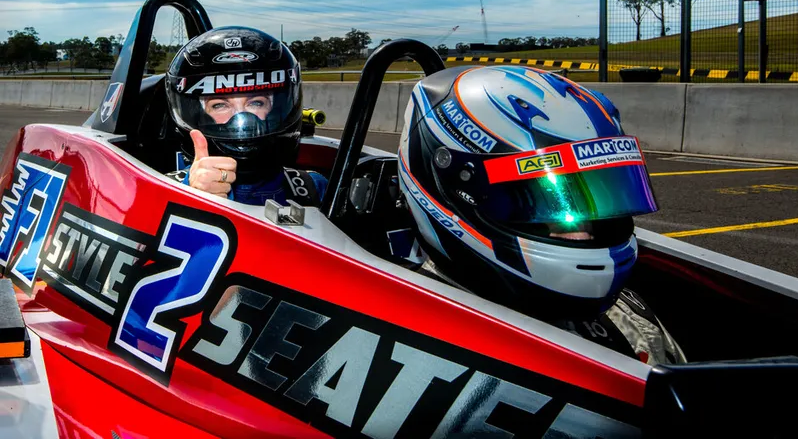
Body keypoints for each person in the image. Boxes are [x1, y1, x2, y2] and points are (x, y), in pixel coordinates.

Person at [396, 65, 684, 365]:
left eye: (599, 203)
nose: (584, 232)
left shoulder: (633, 323)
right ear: (458, 189)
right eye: (546, 205)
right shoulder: (401, 332)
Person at [164, 27, 326, 206]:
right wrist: (192, 196)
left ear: (275, 110)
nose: (242, 118)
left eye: (256, 103)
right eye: (219, 105)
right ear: (200, 115)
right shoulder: (162, 191)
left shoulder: (315, 188)